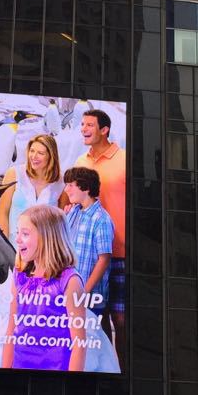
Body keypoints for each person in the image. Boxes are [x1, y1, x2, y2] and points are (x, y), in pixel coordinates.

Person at [69, 109, 126, 367]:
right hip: (88, 257)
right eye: (81, 124)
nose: (83, 128)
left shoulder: (124, 160)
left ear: (104, 129)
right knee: (95, 317)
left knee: (121, 319)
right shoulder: (81, 160)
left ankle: (123, 370)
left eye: (89, 124)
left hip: (121, 252)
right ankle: (102, 367)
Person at [1, 205, 86, 372]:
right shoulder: (19, 276)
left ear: (48, 238)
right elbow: (11, 330)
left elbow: (79, 345)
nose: (17, 239)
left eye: (25, 234)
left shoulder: (70, 281)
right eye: (18, 232)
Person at [62, 166, 114, 325]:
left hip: (89, 298)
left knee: (93, 343)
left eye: (71, 185)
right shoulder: (72, 212)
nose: (66, 189)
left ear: (85, 187)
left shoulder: (101, 219)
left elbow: (103, 260)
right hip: (68, 293)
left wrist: (84, 293)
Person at [0, 134, 63, 242]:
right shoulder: (14, 174)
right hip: (15, 246)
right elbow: (2, 213)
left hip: (45, 249)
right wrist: (6, 247)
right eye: (32, 151)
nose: (34, 156)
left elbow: (61, 222)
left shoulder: (61, 182)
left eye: (40, 153)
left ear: (51, 156)